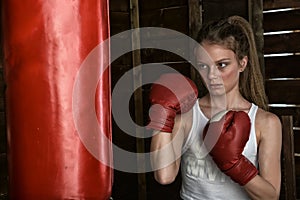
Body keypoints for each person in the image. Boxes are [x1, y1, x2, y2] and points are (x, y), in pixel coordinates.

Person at [148, 15, 282, 200]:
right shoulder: (187, 114)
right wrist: (162, 114)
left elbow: (271, 196)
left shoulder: (266, 122)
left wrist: (236, 166)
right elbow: (164, 176)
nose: (212, 75)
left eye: (222, 65)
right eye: (204, 66)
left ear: (242, 63)